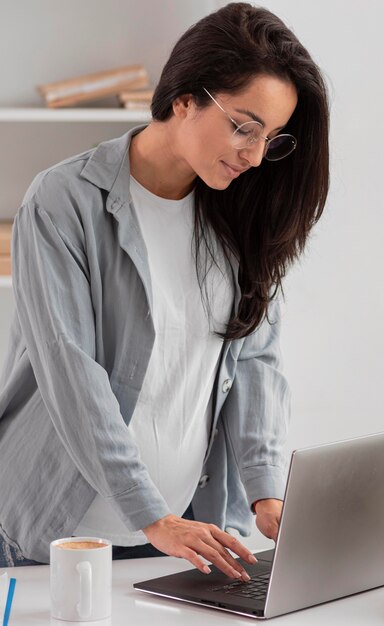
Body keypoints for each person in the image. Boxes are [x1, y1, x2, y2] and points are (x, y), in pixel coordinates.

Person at [0, 1, 329, 578]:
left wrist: (265, 492)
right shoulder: (63, 201)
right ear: (184, 98)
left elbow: (255, 362)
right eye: (244, 126)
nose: (255, 156)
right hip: (54, 536)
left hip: (181, 537)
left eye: (272, 138)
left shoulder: (239, 217)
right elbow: (71, 373)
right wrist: (151, 514)